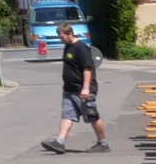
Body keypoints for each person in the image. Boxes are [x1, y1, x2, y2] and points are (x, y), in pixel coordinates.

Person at [44, 24, 108, 153]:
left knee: (92, 115)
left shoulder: (81, 48)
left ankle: (103, 143)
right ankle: (60, 142)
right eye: (59, 37)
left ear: (70, 34)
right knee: (67, 115)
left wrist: (86, 88)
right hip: (69, 90)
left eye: (62, 37)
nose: (60, 39)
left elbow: (88, 69)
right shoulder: (68, 47)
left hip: (82, 90)